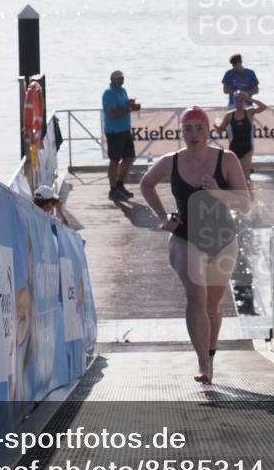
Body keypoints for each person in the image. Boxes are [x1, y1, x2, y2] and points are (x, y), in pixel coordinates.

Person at [140, 107, 250, 384]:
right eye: (188, 129)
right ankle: (203, 363)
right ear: (181, 132)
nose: (194, 134)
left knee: (213, 305)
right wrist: (164, 217)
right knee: (197, 296)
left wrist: (216, 190)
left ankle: (210, 356)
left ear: (209, 130)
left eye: (199, 128)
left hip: (222, 238)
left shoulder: (226, 159)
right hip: (185, 236)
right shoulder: (170, 161)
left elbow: (245, 204)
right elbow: (146, 184)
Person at [101, 70, 140, 201]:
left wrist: (130, 103)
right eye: (118, 78)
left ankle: (119, 184)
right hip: (114, 132)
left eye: (122, 78)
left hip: (125, 130)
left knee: (129, 158)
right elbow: (113, 114)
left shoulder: (123, 91)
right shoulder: (108, 93)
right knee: (114, 160)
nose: (121, 80)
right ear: (111, 79)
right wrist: (130, 109)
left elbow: (123, 107)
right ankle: (112, 190)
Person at [215, 91, 267, 179]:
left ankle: (245, 191)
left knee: (245, 176)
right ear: (234, 102)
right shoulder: (229, 115)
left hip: (247, 149)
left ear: (244, 101)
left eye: (241, 101)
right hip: (234, 148)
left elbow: (264, 107)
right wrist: (218, 129)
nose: (239, 103)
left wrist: (250, 99)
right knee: (232, 176)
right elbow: (220, 130)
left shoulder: (249, 112)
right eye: (237, 101)